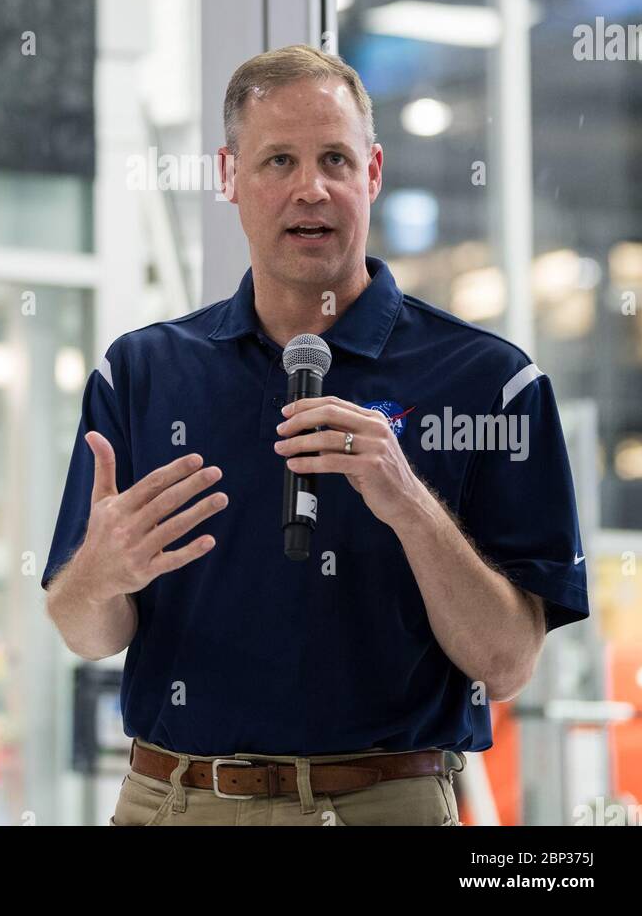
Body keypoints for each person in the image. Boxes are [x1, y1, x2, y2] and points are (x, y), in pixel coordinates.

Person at [42, 44, 590, 826]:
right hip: (173, 803)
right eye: (277, 162)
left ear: (371, 173)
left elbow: (505, 665)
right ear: (228, 178)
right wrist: (99, 573)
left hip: (382, 805)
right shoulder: (140, 372)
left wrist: (408, 504)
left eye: (335, 158)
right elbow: (85, 631)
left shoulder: (489, 384)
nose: (311, 188)